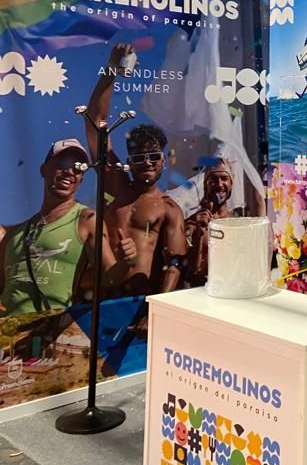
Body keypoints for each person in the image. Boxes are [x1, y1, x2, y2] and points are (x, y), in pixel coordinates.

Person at [0, 139, 136, 356]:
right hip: (5, 338)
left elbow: (110, 277)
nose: (69, 172)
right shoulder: (14, 235)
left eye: (78, 168)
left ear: (81, 179)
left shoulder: (86, 220)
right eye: (62, 164)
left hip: (48, 338)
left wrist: (127, 261)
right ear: (44, 170)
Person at [86, 43, 186, 332]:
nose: (147, 163)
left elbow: (175, 263)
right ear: (129, 161)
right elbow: (95, 126)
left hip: (139, 306)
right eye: (139, 158)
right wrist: (111, 70)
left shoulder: (169, 209)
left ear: (164, 160)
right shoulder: (117, 187)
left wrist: (155, 313)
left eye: (154, 156)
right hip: (99, 300)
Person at [185, 158, 238, 288]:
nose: (219, 184)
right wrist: (199, 235)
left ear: (231, 184)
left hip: (230, 289)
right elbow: (189, 271)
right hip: (200, 291)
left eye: (224, 179)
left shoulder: (238, 223)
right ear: (205, 185)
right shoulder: (192, 223)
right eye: (213, 180)